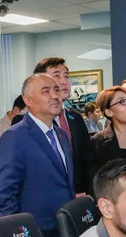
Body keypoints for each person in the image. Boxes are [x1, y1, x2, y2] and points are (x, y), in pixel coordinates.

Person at [0, 74, 74, 237]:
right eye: (46, 91)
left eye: (56, 90)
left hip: (66, 229)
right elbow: (7, 194)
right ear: (28, 100)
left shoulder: (61, 135)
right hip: (36, 234)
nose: (54, 96)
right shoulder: (14, 136)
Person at [32, 57, 97, 197]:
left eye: (66, 76)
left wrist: (90, 194)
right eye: (56, 76)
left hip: (82, 197)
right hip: (50, 199)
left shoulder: (75, 117)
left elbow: (88, 161)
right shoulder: (32, 121)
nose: (63, 81)